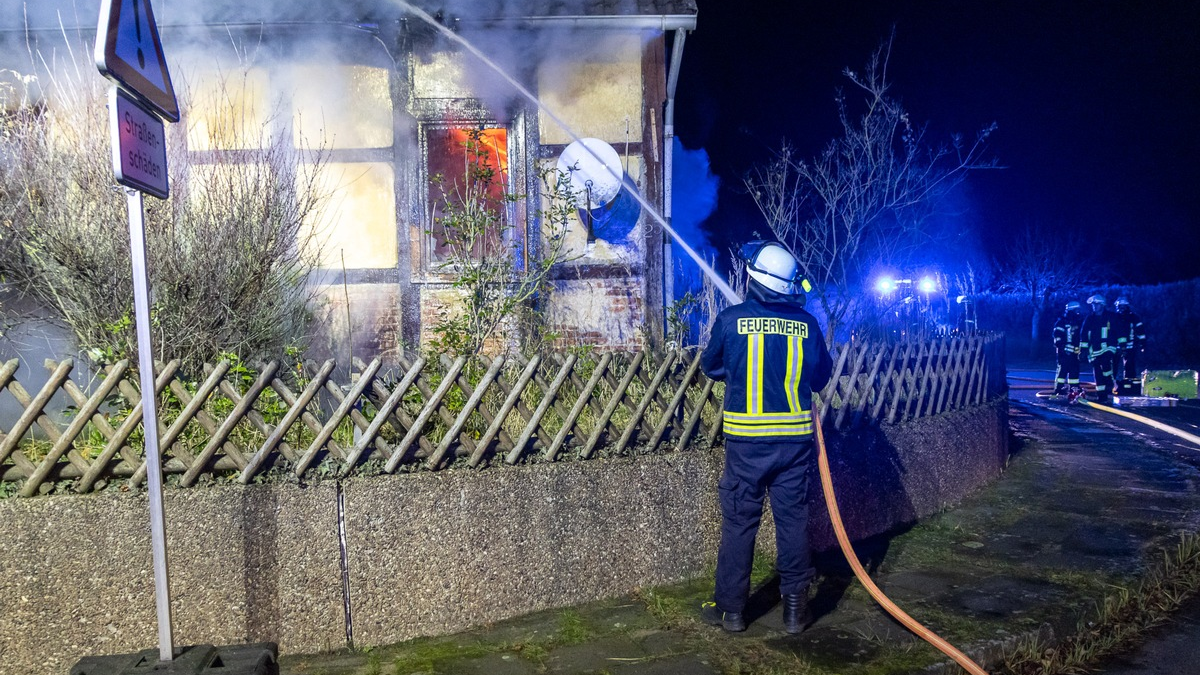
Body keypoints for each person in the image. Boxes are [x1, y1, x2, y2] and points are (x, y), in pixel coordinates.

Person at [699, 240, 833, 634]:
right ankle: (795, 612)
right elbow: (822, 378)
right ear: (788, 286)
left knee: (740, 524)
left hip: (746, 446)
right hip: (794, 444)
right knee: (793, 522)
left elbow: (711, 366)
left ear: (754, 278)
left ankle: (733, 612)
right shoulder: (807, 326)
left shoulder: (730, 319)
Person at [1079, 294, 1117, 404]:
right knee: (1097, 372)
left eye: (1096, 304)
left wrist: (1122, 345)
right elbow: (1084, 334)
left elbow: (1118, 330)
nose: (1094, 307)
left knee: (1106, 367)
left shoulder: (1111, 317)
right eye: (1093, 305)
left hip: (1108, 348)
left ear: (1102, 305)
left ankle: (1109, 386)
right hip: (1094, 350)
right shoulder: (1089, 319)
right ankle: (1101, 395)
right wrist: (1083, 350)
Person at [1111, 296, 1146, 395]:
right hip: (1115, 347)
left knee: (1130, 367)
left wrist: (1142, 343)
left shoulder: (1134, 318)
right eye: (1120, 306)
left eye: (1123, 306)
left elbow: (1140, 331)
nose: (1121, 308)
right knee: (1113, 367)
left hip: (1130, 347)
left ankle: (1129, 386)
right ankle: (1113, 386)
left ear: (1127, 306)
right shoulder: (1114, 317)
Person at [1051, 301, 1083, 395]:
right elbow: (1057, 336)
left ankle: (1074, 388)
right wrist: (1061, 346)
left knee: (1074, 371)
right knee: (1062, 371)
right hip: (1064, 352)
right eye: (1076, 310)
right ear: (1071, 310)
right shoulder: (1061, 322)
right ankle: (1058, 389)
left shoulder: (1079, 322)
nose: (1078, 312)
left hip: (1075, 353)